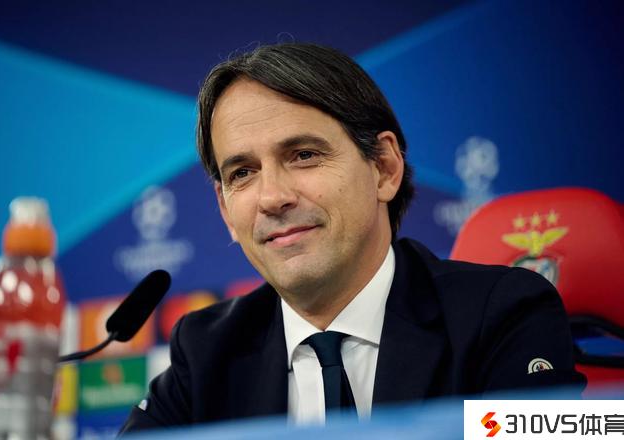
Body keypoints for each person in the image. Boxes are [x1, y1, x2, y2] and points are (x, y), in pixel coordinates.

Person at [120, 43, 584, 432]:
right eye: (242, 173)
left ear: (384, 168)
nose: (273, 197)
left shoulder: (504, 314)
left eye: (303, 155)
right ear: (225, 210)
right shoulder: (204, 351)